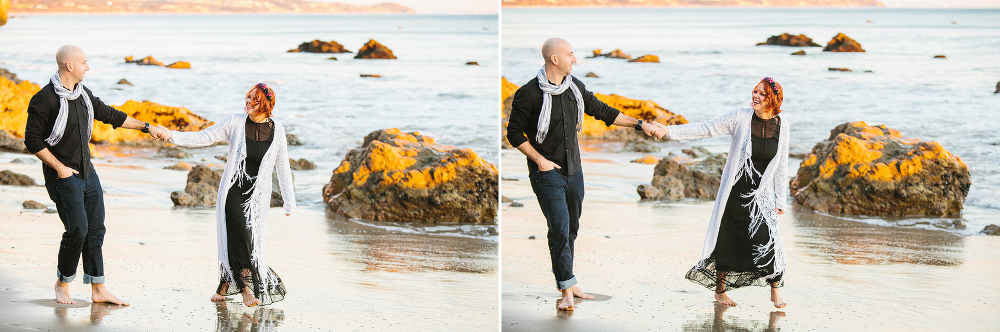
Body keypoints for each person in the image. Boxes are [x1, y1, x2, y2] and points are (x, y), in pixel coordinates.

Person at [506, 37, 666, 311]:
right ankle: (567, 290)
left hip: (574, 171)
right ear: (555, 59)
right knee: (559, 229)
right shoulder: (528, 93)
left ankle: (566, 280)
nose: (575, 59)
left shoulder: (574, 88)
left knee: (572, 229)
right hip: (547, 174)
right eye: (570, 54)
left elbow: (603, 111)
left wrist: (641, 125)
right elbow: (513, 133)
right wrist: (540, 161)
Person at [25, 45, 172, 305]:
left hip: (88, 173)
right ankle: (62, 284)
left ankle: (98, 290)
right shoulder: (44, 99)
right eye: (84, 62)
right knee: (77, 230)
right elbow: (32, 140)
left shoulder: (83, 95)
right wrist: (59, 168)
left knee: (95, 230)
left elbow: (110, 115)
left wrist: (147, 127)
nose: (88, 67)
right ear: (70, 66)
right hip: (62, 176)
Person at [161, 83, 295, 307]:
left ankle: (224, 286)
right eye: (248, 97)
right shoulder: (235, 122)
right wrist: (171, 135)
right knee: (240, 235)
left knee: (246, 242)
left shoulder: (277, 130)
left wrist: (289, 200)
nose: (249, 102)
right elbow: (204, 137)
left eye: (255, 99)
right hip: (233, 191)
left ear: (266, 105)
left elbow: (283, 165)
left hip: (256, 198)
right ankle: (244, 291)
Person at [666, 77, 790, 308]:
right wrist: (668, 132)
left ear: (773, 98)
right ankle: (720, 291)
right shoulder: (740, 117)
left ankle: (775, 290)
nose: (755, 96)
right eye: (754, 91)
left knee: (769, 239)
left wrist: (780, 199)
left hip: (760, 196)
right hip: (735, 192)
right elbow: (707, 128)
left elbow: (782, 163)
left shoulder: (782, 123)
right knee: (727, 240)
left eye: (762, 94)